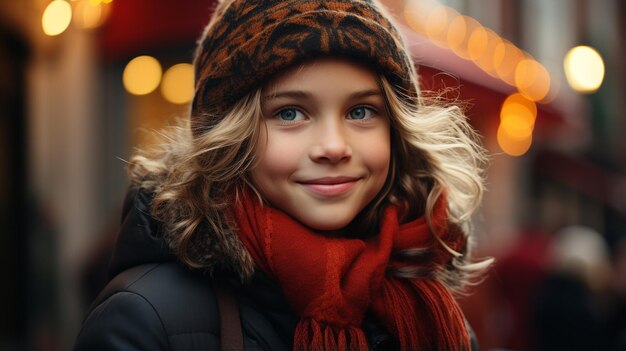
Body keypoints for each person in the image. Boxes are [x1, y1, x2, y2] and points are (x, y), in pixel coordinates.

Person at [74, 0, 489, 350]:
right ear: (230, 138)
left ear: (396, 131)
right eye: (290, 112)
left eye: (361, 111)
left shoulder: (426, 308)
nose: (333, 146)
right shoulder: (144, 319)